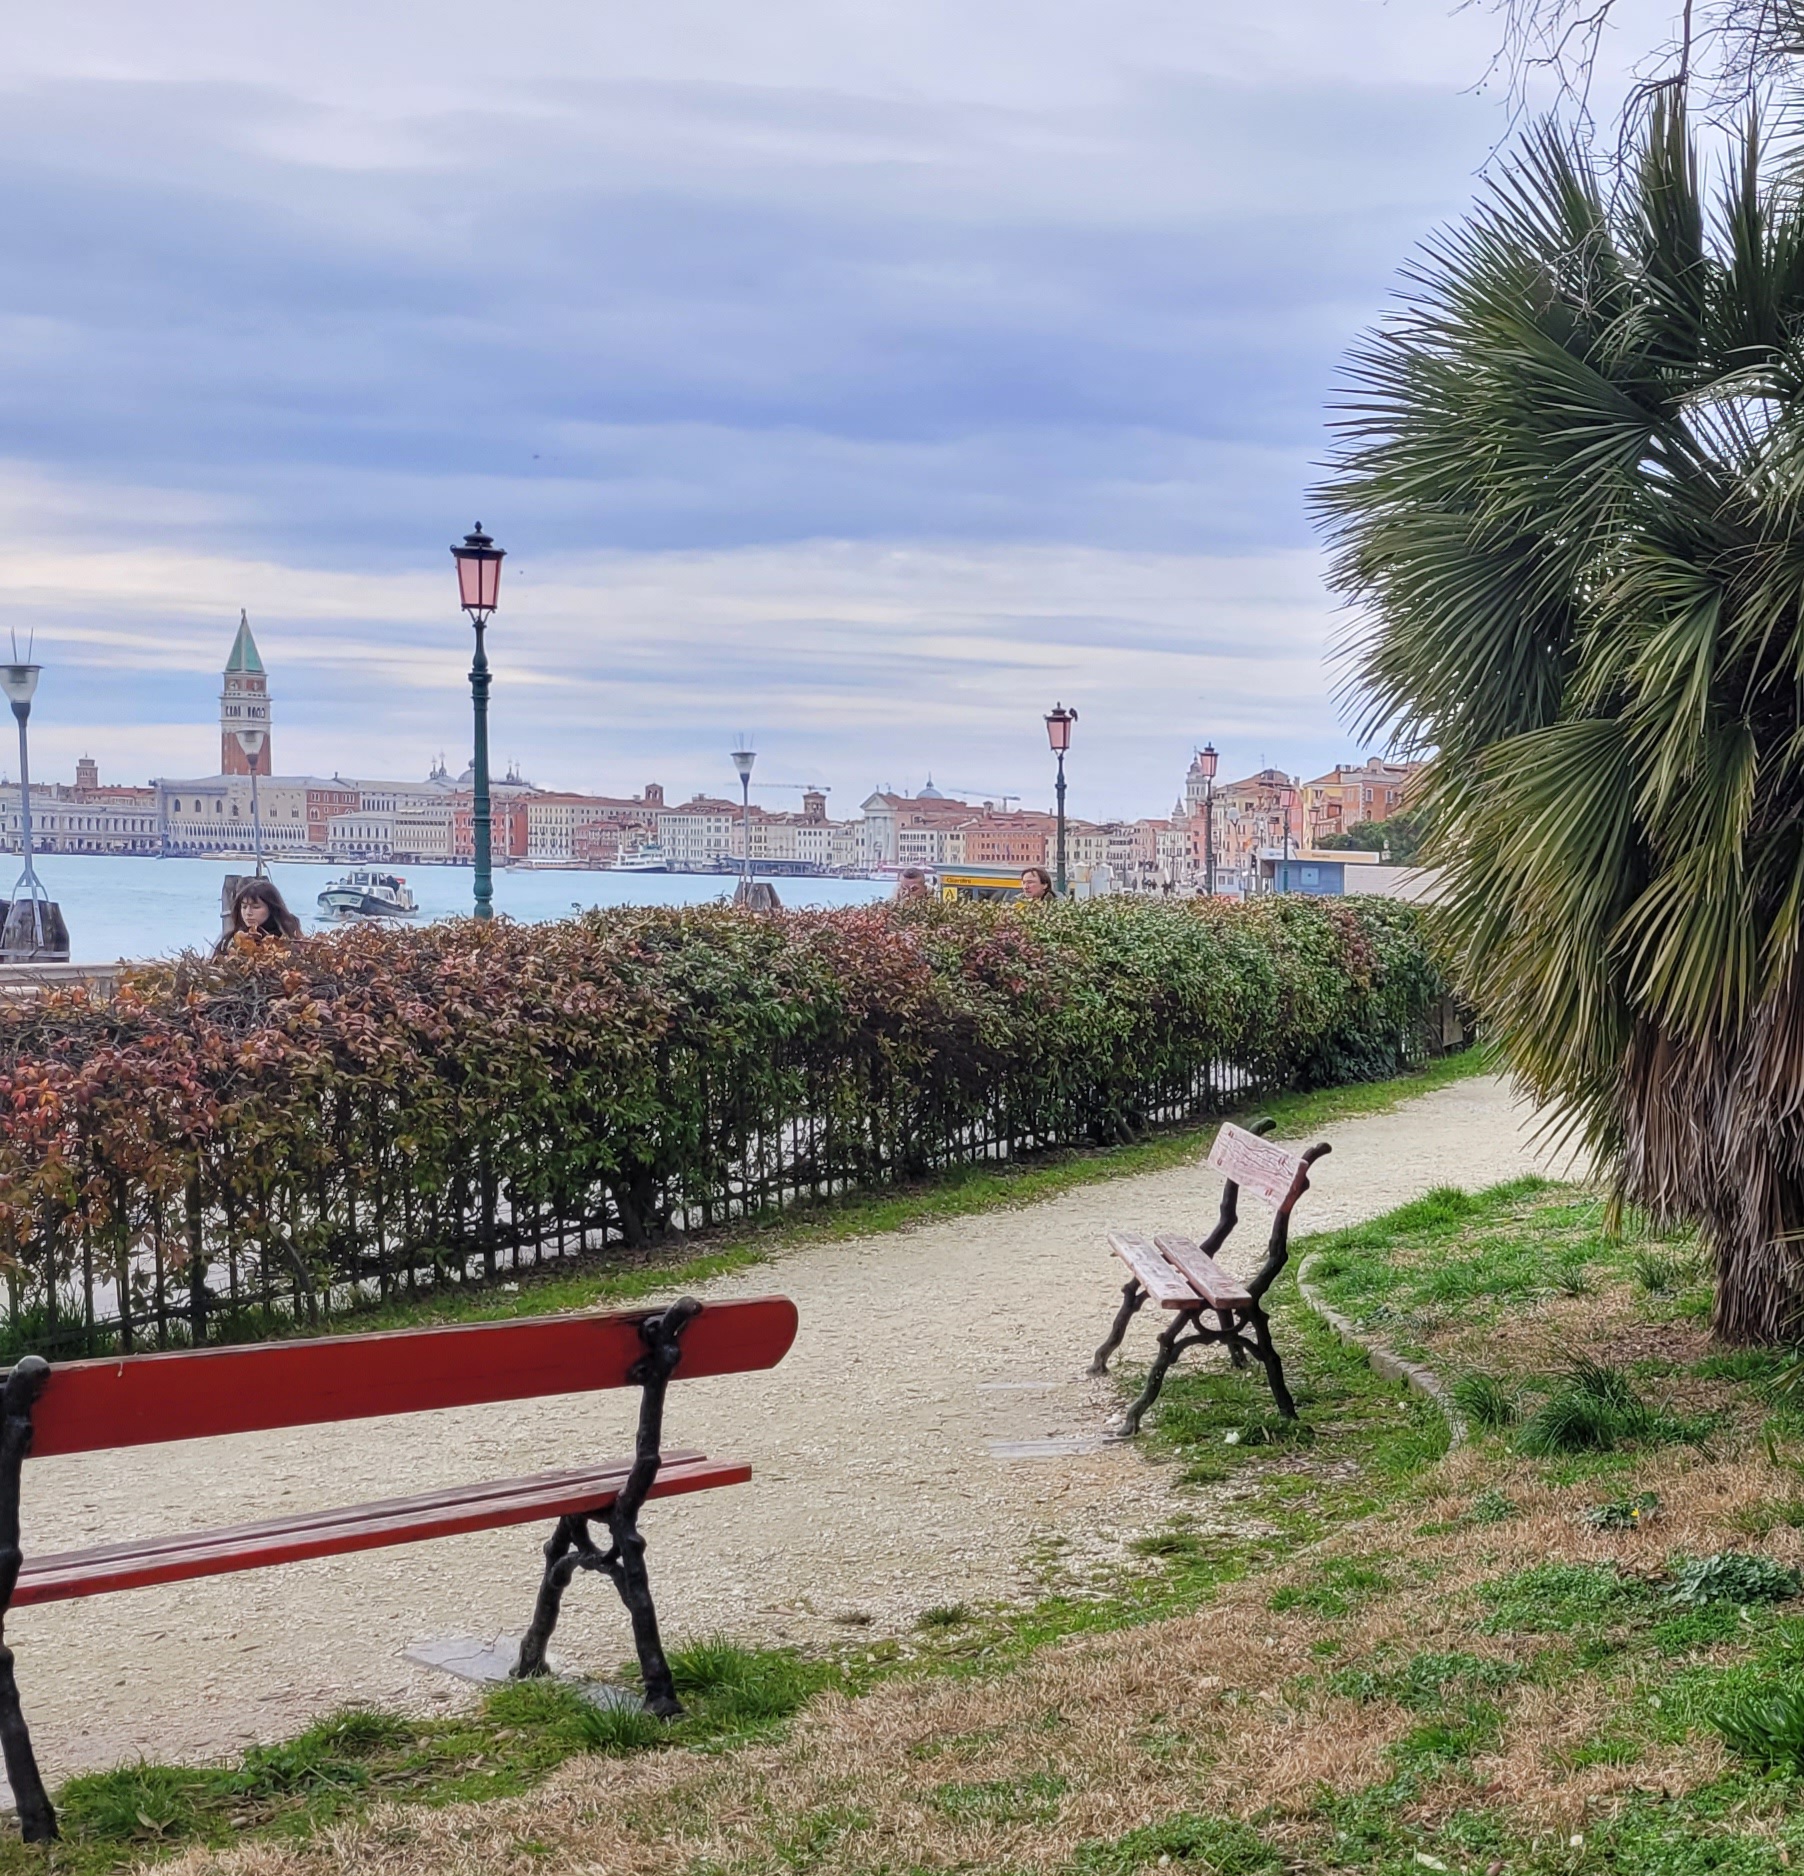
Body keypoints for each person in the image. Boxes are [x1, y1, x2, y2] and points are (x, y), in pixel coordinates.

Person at [215, 877, 303, 956]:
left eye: (255, 907)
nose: (248, 912)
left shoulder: (289, 941)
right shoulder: (230, 941)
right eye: (244, 907)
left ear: (272, 908)